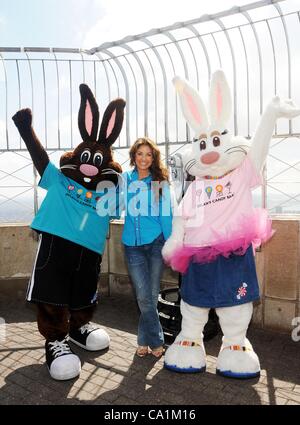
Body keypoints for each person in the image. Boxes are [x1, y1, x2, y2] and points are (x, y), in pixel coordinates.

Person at [121, 137, 172, 358]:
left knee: (150, 295)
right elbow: (113, 203)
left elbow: (166, 215)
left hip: (156, 243)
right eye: (140, 154)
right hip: (132, 245)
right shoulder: (124, 179)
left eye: (148, 154)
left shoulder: (160, 182)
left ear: (154, 158)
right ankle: (157, 340)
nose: (144, 158)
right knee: (143, 296)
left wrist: (170, 244)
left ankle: (143, 340)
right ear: (134, 156)